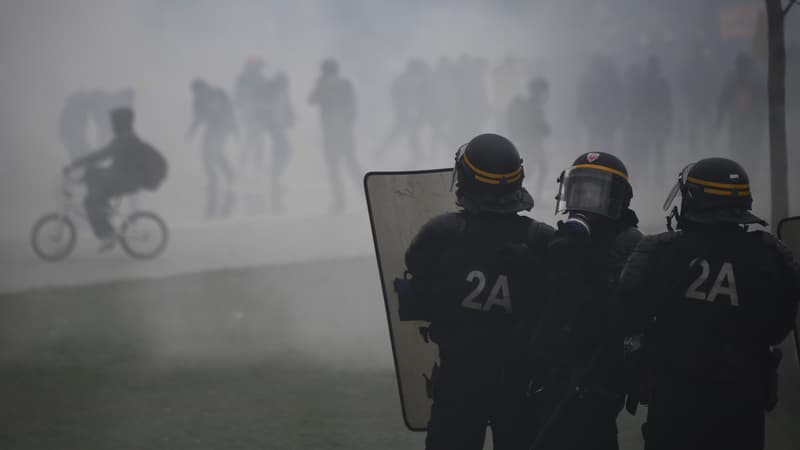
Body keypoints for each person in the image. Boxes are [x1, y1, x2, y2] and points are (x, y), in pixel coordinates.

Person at [619, 157, 799, 450]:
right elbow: (779, 326)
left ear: (692, 200)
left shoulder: (661, 252)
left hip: (674, 406)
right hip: (742, 410)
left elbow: (631, 312)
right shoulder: (770, 256)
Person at [400, 133, 554, 450]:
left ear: (467, 180)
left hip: (458, 383)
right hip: (521, 385)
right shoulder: (542, 240)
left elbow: (418, 277)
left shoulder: (441, 233)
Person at [526, 152, 642, 450]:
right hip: (555, 367)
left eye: (597, 192)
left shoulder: (629, 245)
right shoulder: (560, 241)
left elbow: (628, 312)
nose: (586, 200)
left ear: (619, 199)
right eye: (580, 190)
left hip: (599, 371)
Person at [64, 107, 161, 250]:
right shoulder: (128, 138)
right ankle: (103, 210)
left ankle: (108, 234)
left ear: (120, 123)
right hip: (123, 178)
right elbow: (108, 161)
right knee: (92, 181)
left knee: (90, 199)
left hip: (125, 181)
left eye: (114, 122)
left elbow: (101, 155)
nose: (112, 126)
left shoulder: (125, 139)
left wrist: (75, 164)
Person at [308, 59, 361, 213]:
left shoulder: (336, 85)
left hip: (335, 133)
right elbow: (353, 107)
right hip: (340, 132)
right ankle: (355, 196)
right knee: (347, 165)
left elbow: (311, 100)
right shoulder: (344, 84)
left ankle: (340, 200)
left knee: (338, 167)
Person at [187, 78, 238, 219]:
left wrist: (234, 129)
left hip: (223, 126)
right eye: (195, 93)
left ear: (203, 88)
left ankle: (222, 178)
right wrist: (192, 130)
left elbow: (230, 111)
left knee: (213, 152)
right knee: (210, 153)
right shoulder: (198, 100)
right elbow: (197, 117)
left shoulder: (218, 93)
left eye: (198, 91)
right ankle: (222, 177)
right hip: (212, 127)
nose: (197, 95)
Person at [507, 76, 551, 197]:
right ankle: (513, 194)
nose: (545, 95)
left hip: (532, 141)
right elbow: (531, 125)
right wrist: (543, 128)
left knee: (536, 169)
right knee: (530, 170)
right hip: (531, 142)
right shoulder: (531, 105)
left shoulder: (532, 104)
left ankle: (518, 194)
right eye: (543, 91)